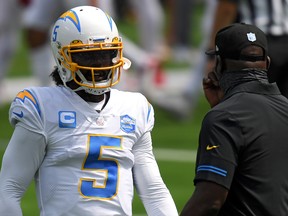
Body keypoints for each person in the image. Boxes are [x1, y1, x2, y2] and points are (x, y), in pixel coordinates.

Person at [0, 6, 178, 216]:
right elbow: (9, 189)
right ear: (62, 57)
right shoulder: (41, 107)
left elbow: (154, 191)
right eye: (88, 56)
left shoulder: (134, 108)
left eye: (106, 54)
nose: (100, 64)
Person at [181, 23, 288, 215]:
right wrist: (222, 104)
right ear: (268, 63)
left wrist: (222, 110)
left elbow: (209, 201)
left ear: (219, 64)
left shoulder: (224, 118)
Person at [205, 0, 288, 98]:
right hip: (285, 37)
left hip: (254, 41)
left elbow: (227, 8)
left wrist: (213, 51)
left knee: (253, 103)